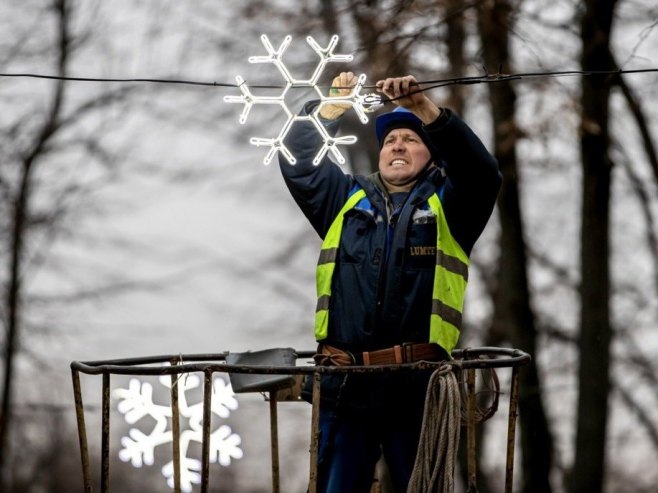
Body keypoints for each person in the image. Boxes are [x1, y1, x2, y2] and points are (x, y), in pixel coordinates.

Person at [278, 72, 501, 493]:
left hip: (418, 386)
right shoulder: (343, 201)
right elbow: (298, 160)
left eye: (411, 139)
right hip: (344, 385)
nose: (397, 145)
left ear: (432, 156)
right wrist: (331, 108)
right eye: (389, 140)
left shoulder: (451, 205)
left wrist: (423, 107)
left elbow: (481, 171)